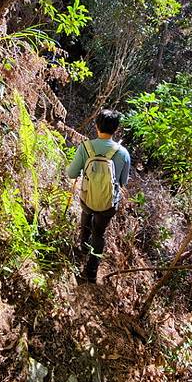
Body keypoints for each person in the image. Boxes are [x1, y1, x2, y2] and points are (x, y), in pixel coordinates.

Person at [66, 109, 131, 283]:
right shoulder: (123, 153)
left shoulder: (85, 147)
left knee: (86, 219)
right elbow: (123, 182)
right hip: (108, 204)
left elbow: (71, 174)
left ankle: (82, 249)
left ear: (96, 126)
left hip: (87, 199)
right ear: (115, 129)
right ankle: (91, 271)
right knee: (99, 234)